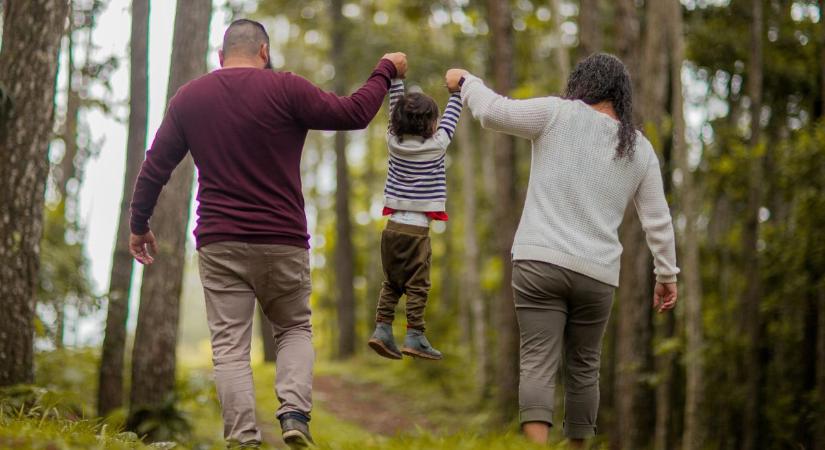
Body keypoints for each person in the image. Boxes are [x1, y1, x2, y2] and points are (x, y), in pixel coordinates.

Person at [128, 18, 407, 449]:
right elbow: (354, 113)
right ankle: (294, 413)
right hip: (282, 239)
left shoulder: (191, 97)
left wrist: (139, 224)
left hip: (220, 242)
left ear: (221, 57)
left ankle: (243, 440)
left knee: (230, 348)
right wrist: (385, 69)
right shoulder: (286, 87)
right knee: (294, 328)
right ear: (264, 51)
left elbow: (155, 166)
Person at [444, 53, 679, 447]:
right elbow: (658, 219)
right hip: (597, 275)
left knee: (537, 362)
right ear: (621, 95)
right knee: (585, 369)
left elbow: (493, 113)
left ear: (582, 84)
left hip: (539, 262)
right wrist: (667, 275)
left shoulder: (556, 113)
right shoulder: (639, 149)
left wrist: (467, 81)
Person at [367, 77, 463, 361]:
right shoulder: (438, 145)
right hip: (417, 232)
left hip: (392, 228)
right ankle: (415, 335)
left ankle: (382, 328)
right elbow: (452, 117)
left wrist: (396, 79)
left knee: (392, 282)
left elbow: (393, 106)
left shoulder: (392, 142)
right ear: (430, 124)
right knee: (417, 285)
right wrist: (457, 92)